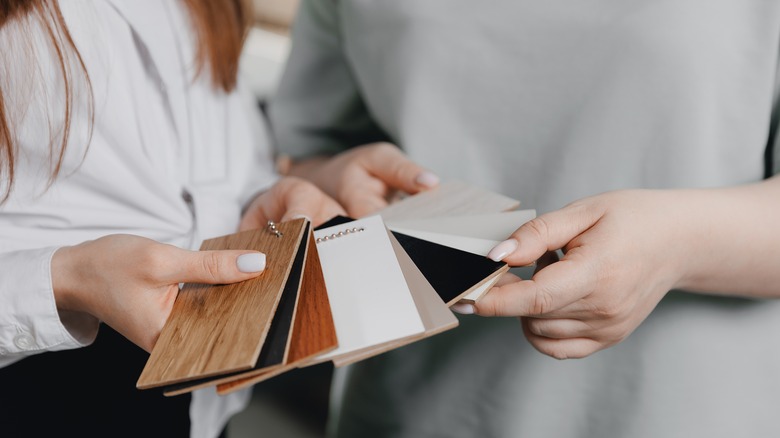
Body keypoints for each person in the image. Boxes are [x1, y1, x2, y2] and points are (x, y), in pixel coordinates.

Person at [266, 1, 780, 437]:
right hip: (407, 409)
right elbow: (304, 151)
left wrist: (676, 243)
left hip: (681, 411)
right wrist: (337, 179)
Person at [0, 1, 343, 437]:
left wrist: (265, 191)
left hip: (207, 375)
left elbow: (218, 144)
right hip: (44, 379)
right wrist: (67, 279)